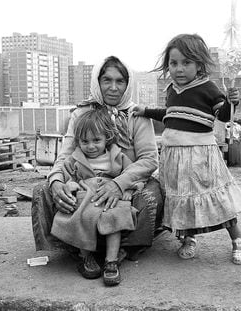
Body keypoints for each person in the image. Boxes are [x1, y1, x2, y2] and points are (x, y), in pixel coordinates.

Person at [32, 56, 164, 267]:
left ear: (128, 84)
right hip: (85, 179)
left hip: (126, 179)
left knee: (149, 196)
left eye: (120, 81)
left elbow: (149, 160)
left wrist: (118, 184)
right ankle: (75, 245)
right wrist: (57, 182)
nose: (113, 87)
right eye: (107, 80)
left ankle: (123, 247)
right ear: (97, 81)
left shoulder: (137, 116)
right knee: (43, 190)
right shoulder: (82, 113)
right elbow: (65, 155)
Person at [133, 33, 241, 265]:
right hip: (173, 155)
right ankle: (189, 239)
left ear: (199, 64)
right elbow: (170, 115)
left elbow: (224, 116)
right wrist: (145, 111)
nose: (179, 69)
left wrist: (231, 102)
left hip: (200, 155)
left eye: (186, 63)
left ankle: (238, 239)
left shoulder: (207, 87)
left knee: (215, 198)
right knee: (181, 198)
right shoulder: (172, 90)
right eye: (174, 63)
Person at [51, 108, 140, 286]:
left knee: (114, 217)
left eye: (96, 140)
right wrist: (69, 184)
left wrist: (128, 189)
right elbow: (67, 176)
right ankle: (85, 257)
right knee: (83, 215)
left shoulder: (117, 157)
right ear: (78, 141)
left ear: (107, 138)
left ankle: (111, 261)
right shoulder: (74, 159)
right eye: (85, 141)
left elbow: (132, 175)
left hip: (110, 196)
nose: (91, 146)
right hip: (86, 195)